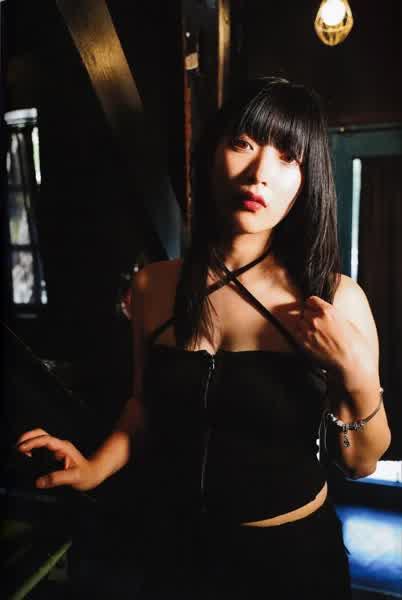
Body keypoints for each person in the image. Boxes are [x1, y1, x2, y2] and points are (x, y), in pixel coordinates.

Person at [16, 76, 391, 599]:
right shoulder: (153, 286)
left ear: (308, 181)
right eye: (243, 144)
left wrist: (357, 372)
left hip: (291, 563)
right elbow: (143, 406)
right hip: (178, 557)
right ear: (212, 154)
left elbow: (360, 463)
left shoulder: (334, 298)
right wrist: (94, 468)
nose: (260, 174)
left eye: (288, 157)